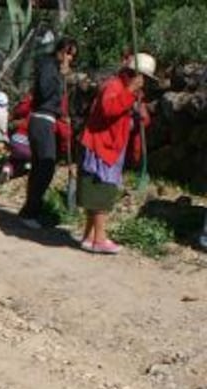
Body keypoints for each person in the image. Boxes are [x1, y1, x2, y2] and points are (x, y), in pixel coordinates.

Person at [77, 52, 155, 254]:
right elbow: (109, 109)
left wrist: (139, 112)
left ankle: (89, 236)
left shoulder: (132, 92)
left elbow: (140, 119)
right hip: (102, 144)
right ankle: (99, 239)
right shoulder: (115, 86)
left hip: (112, 146)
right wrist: (130, 91)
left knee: (100, 190)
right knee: (101, 190)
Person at [18, 37, 78, 229]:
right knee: (46, 166)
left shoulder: (52, 68)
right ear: (60, 51)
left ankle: (30, 209)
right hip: (41, 120)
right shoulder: (48, 67)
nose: (70, 58)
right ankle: (30, 212)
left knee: (39, 166)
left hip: (47, 119)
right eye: (68, 53)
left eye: (73, 55)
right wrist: (60, 75)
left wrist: (61, 113)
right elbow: (44, 91)